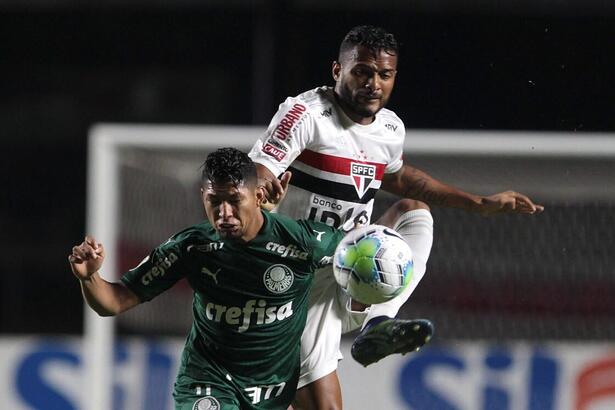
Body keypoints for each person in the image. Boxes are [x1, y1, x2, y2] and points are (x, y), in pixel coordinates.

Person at [248, 25, 544, 409]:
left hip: (353, 268)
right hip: (299, 279)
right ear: (338, 71)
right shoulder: (307, 114)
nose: (374, 83)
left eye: (384, 75)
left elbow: (401, 177)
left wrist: (478, 203)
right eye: (363, 72)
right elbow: (259, 169)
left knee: (413, 212)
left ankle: (378, 323)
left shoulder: (390, 128)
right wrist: (260, 188)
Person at [68, 147, 349, 410]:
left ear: (258, 197)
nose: (224, 213)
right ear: (203, 195)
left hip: (272, 390)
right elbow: (113, 302)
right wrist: (90, 277)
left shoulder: (303, 242)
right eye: (215, 201)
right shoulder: (192, 247)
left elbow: (366, 252)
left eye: (234, 200)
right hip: (208, 381)